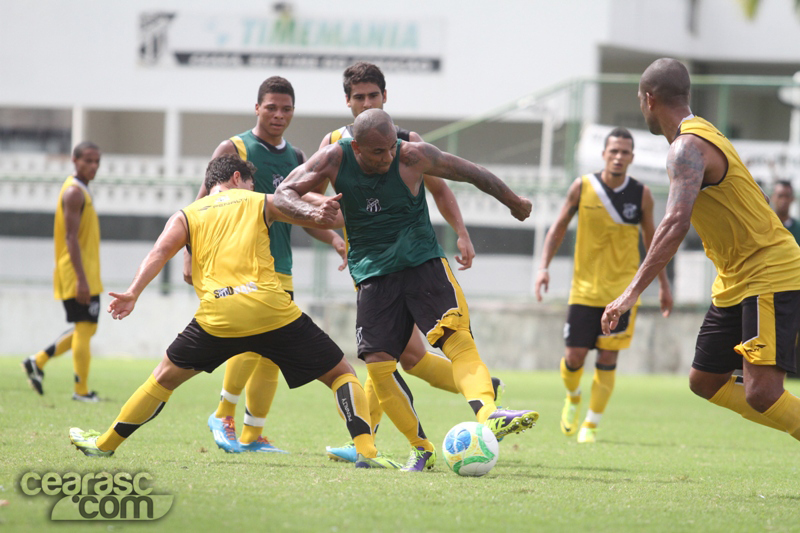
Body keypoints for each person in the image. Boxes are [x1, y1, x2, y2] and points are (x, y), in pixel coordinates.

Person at [69, 154, 401, 469]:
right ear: (236, 178)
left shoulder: (187, 214)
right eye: (251, 184)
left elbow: (158, 253)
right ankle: (366, 450)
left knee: (163, 378)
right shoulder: (260, 201)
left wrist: (133, 292)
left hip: (218, 317)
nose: (253, 190)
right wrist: (326, 212)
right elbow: (307, 214)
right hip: (271, 311)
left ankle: (105, 444)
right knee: (341, 373)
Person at [274, 108, 540, 472]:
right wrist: (308, 214)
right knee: (380, 368)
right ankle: (421, 448)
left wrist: (513, 201)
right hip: (373, 276)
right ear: (357, 147)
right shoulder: (335, 157)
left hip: (423, 264)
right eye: (378, 152)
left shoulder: (412, 154)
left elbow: (471, 172)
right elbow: (283, 192)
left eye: (390, 148)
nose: (387, 157)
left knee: (456, 339)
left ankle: (490, 413)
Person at [601, 58, 800, 443]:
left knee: (762, 393)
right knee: (705, 380)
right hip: (735, 278)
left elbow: (675, 223)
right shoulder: (702, 133)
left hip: (768, 272)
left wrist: (630, 293)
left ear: (648, 99)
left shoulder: (685, 148)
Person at [320, 61, 504, 463]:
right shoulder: (333, 147)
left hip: (412, 264)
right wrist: (333, 233)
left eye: (373, 95)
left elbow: (440, 188)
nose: (366, 101)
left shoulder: (408, 144)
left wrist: (462, 231)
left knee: (392, 358)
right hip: (369, 268)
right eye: (359, 97)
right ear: (348, 101)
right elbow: (314, 199)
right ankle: (481, 387)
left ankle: (368, 443)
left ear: (385, 97)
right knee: (405, 359)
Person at [186, 76, 347, 454]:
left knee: (273, 353)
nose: (278, 114)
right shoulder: (235, 147)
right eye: (271, 107)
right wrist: (189, 255)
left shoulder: (295, 158)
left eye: (286, 108)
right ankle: (223, 413)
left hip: (280, 265)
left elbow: (302, 213)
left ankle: (253, 433)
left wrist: (336, 239)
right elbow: (199, 207)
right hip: (238, 266)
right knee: (251, 340)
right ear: (257, 107)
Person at [534, 127, 673, 443]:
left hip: (623, 294)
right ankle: (573, 397)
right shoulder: (582, 187)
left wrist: (663, 285)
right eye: (614, 151)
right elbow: (557, 230)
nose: (619, 157)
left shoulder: (642, 195)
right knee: (574, 358)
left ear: (632, 158)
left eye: (625, 152)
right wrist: (543, 268)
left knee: (608, 359)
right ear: (604, 154)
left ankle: (591, 426)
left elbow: (654, 242)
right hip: (584, 289)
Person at [22, 141, 103, 402]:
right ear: (74, 160)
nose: (93, 166)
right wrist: (80, 279)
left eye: (97, 161)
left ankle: (38, 361)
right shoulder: (73, 193)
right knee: (84, 327)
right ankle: (81, 391)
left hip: (85, 272)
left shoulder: (81, 190)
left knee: (86, 328)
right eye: (88, 160)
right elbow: (70, 237)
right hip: (77, 273)